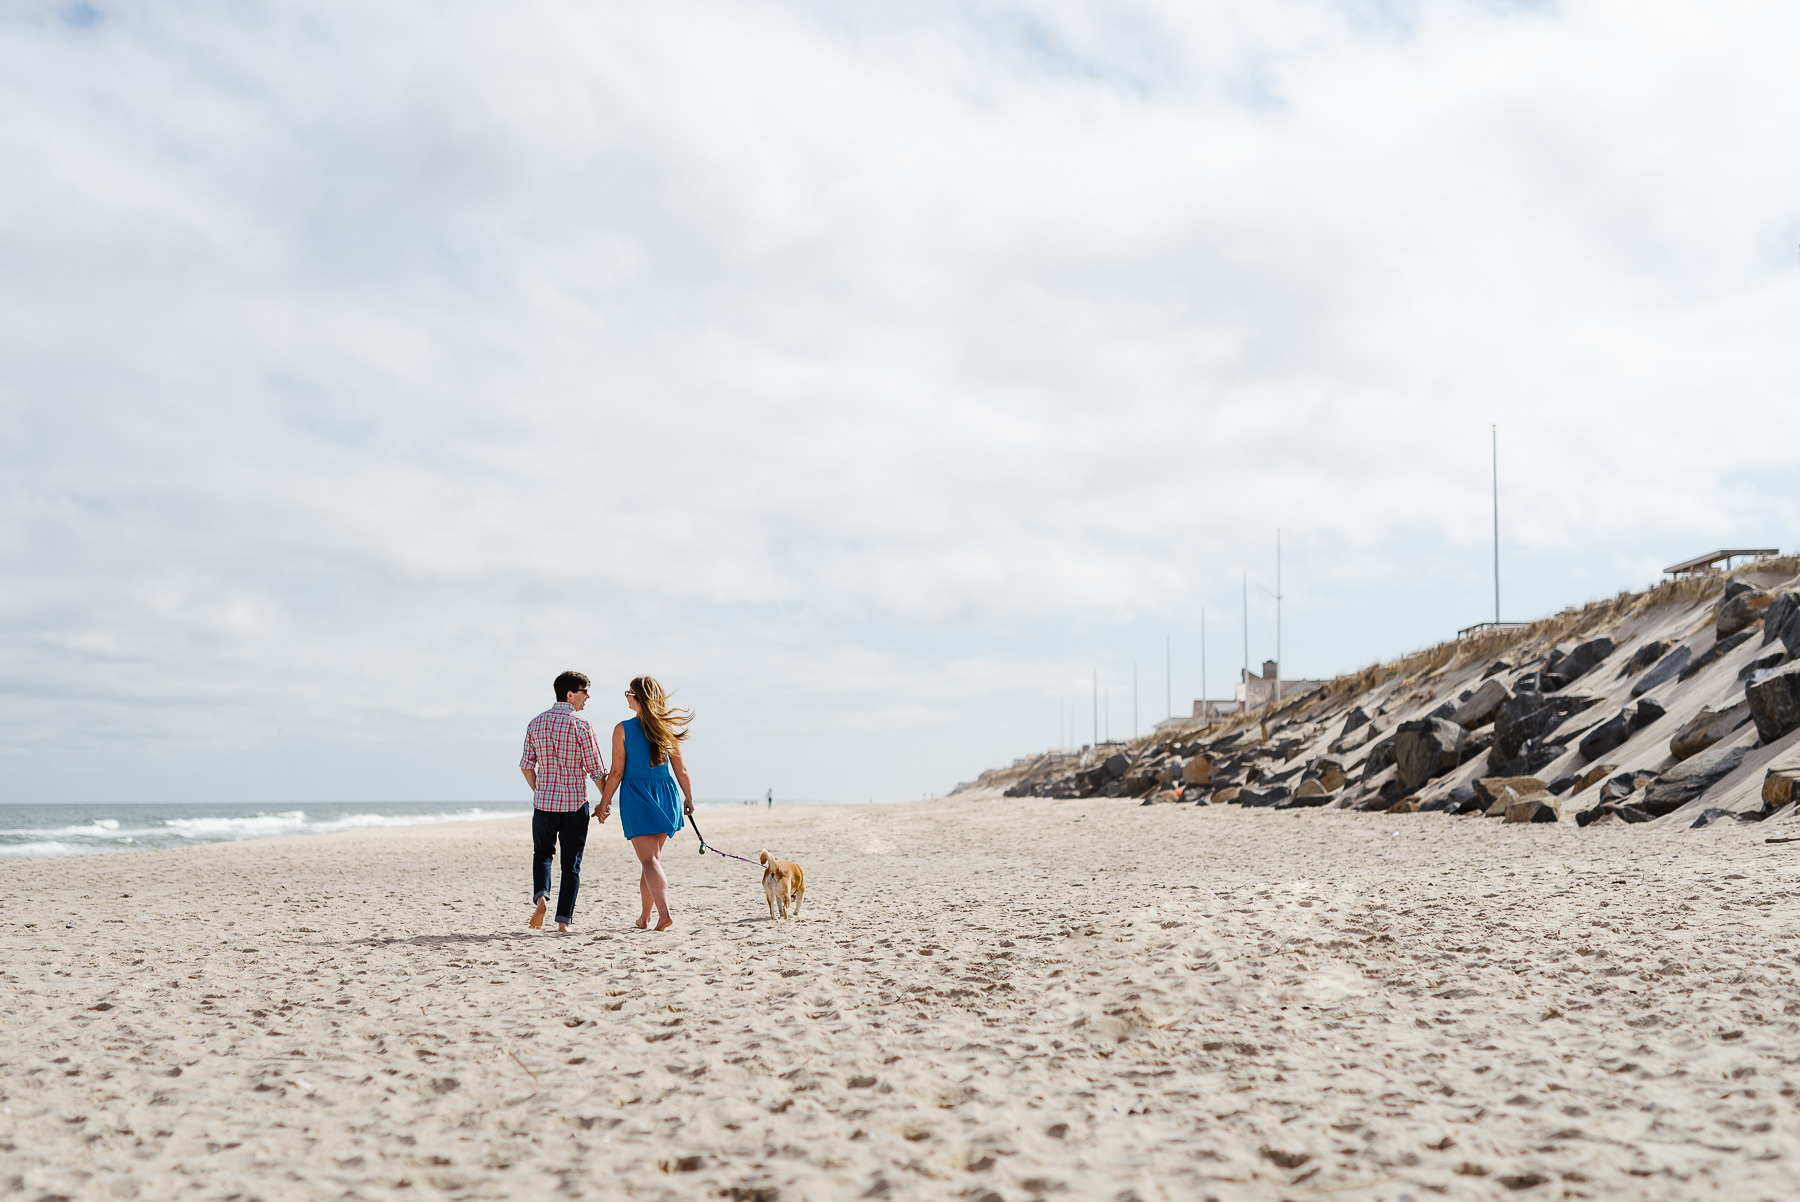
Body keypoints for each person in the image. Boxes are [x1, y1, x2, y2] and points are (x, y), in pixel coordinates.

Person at [600, 676, 694, 931]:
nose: (627, 697)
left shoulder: (623, 728)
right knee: (651, 860)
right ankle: (645, 917)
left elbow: (617, 772)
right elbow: (681, 770)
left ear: (639, 698)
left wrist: (604, 802)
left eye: (629, 693)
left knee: (649, 860)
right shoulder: (667, 729)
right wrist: (688, 798)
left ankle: (664, 913)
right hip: (666, 796)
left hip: (637, 796)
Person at [519, 670, 608, 933]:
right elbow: (596, 770)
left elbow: (526, 766)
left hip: (544, 805)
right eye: (584, 691)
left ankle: (541, 898)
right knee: (571, 865)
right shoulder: (582, 725)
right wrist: (605, 803)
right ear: (570, 694)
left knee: (543, 855)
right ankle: (563, 922)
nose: (588, 696)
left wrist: (540, 789)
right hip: (575, 804)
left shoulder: (535, 723)